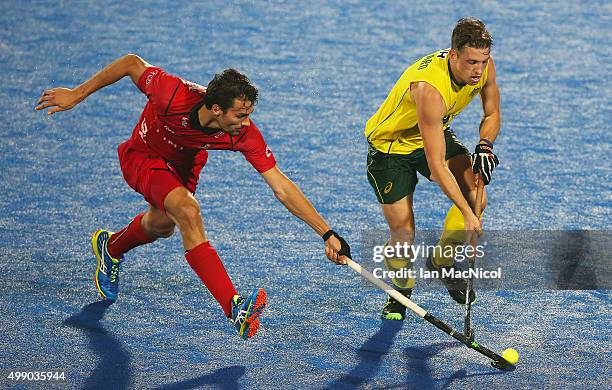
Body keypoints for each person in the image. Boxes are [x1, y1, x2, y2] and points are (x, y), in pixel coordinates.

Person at [35, 54, 351, 339]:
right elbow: (131, 63)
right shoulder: (171, 93)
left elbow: (280, 185)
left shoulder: (242, 133)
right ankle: (235, 308)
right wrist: (76, 94)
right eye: (240, 115)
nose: (246, 123)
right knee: (188, 211)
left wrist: (326, 232)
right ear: (215, 109)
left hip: (184, 165)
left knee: (162, 224)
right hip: (144, 156)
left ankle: (110, 246)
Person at [364, 17, 501, 320]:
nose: (478, 70)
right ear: (453, 54)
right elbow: (437, 165)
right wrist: (466, 214)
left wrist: (485, 144)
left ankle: (443, 262)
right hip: (390, 149)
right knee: (403, 232)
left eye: (483, 61)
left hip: (434, 132)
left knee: (477, 196)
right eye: (471, 62)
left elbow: (492, 113)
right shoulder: (429, 90)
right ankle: (401, 291)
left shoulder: (484, 69)